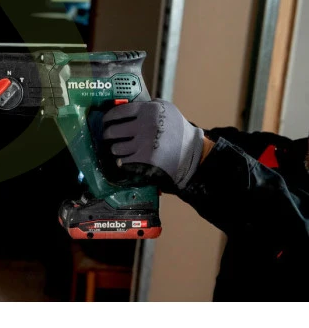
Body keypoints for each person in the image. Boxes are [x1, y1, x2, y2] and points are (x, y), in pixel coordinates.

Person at [101, 100, 309, 301]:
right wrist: (149, 129)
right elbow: (198, 140)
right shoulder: (284, 153)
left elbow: (294, 231)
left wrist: (191, 153)